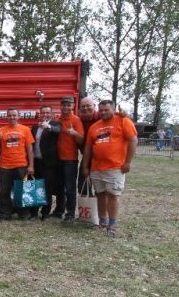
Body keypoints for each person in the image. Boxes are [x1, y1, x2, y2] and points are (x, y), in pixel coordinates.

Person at [82, 99, 138, 237]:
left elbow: (133, 140)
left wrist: (128, 162)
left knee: (113, 195)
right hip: (97, 168)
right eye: (101, 110)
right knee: (100, 194)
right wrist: (85, 166)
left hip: (115, 167)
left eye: (106, 110)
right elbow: (88, 149)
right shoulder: (94, 127)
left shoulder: (123, 121)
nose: (103, 112)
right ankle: (102, 222)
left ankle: (112, 225)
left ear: (113, 109)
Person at [0, 108, 35, 220]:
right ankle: (5, 213)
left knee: (21, 191)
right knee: (4, 191)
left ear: (18, 116)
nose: (12, 117)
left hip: (21, 164)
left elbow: (30, 149)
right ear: (7, 117)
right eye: (10, 115)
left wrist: (31, 165)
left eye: (14, 115)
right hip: (4, 166)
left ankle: (23, 214)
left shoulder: (25, 129)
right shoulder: (1, 130)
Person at [30, 105, 63, 220]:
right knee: (35, 187)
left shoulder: (55, 124)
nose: (45, 115)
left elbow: (58, 131)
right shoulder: (34, 127)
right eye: (43, 112)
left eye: (47, 113)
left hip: (49, 163)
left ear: (51, 114)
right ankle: (33, 212)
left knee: (47, 188)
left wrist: (48, 126)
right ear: (39, 113)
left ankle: (45, 212)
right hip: (36, 162)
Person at [57, 96, 85, 223]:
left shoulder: (76, 120)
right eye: (64, 105)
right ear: (60, 106)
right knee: (59, 187)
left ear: (73, 106)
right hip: (57, 159)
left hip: (70, 160)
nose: (66, 107)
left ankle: (70, 213)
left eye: (69, 105)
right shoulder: (57, 119)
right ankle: (59, 210)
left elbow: (81, 140)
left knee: (70, 188)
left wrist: (75, 134)